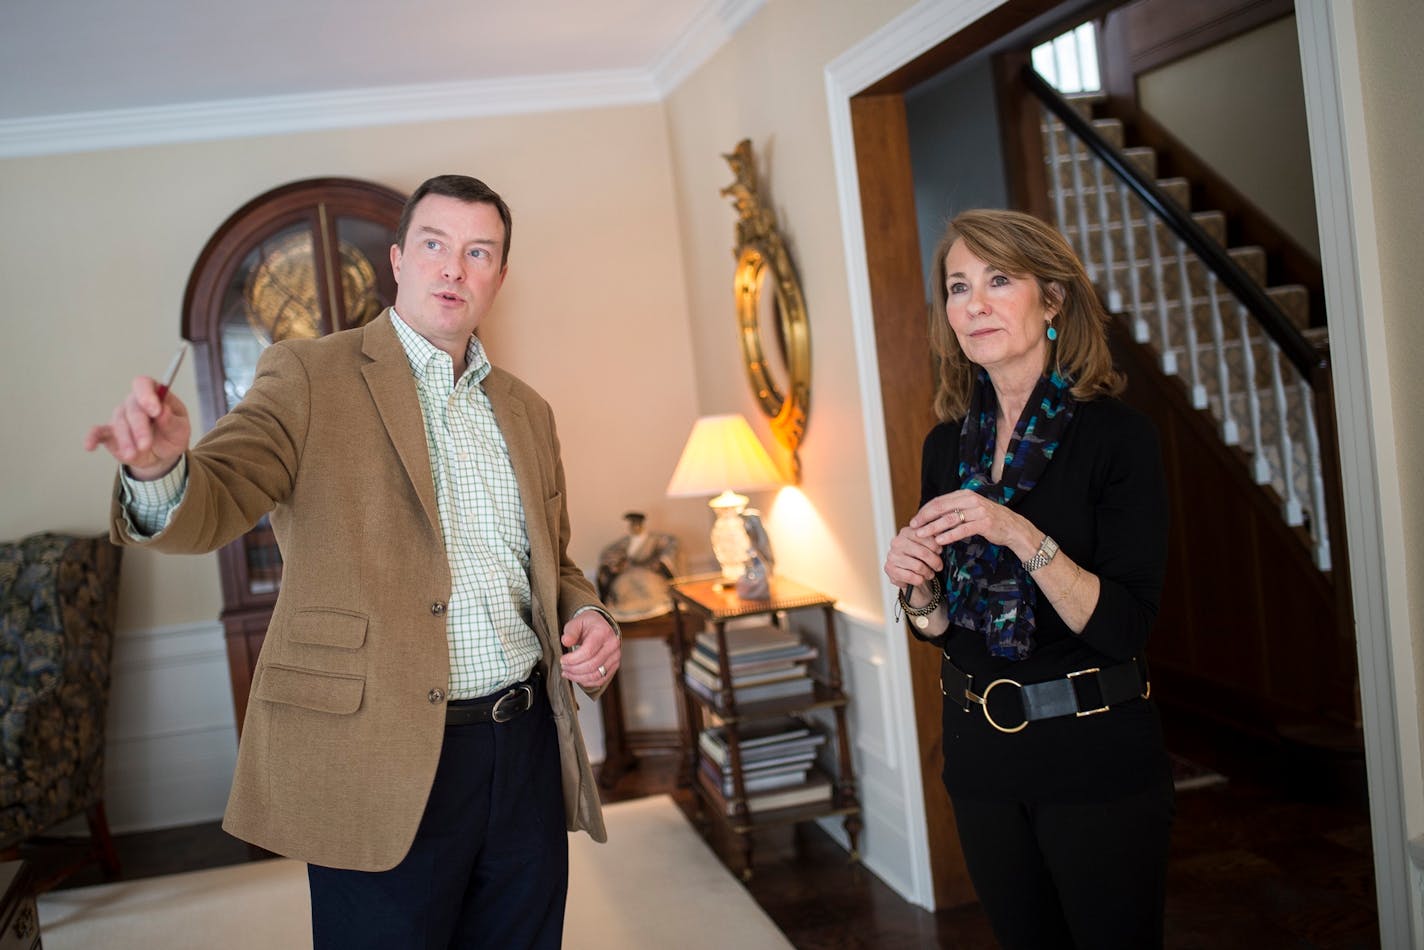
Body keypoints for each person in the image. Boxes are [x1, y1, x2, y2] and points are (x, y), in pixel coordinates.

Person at [84, 174, 622, 949]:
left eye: (479, 252)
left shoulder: (527, 411)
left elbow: (554, 564)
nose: (454, 268)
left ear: (499, 278)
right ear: (399, 260)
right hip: (383, 752)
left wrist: (589, 614)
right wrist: (160, 469)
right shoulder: (308, 375)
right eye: (435, 245)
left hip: (527, 745)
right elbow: (220, 496)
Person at [882, 209, 1172, 949]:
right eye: (957, 286)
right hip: (980, 754)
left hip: (1093, 754)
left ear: (1052, 300)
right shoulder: (947, 445)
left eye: (998, 280)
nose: (972, 304)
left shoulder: (1118, 438)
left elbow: (1124, 628)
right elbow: (944, 632)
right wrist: (917, 591)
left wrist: (1014, 529)